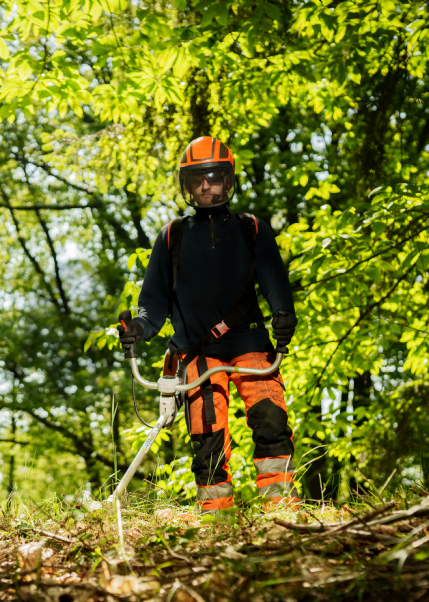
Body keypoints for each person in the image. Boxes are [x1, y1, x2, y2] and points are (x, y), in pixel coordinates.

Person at [117, 136, 299, 513]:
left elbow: (276, 287)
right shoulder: (172, 237)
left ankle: (281, 510)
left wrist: (283, 316)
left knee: (271, 420)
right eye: (197, 177)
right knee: (207, 435)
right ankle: (216, 521)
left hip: (251, 346)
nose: (206, 185)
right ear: (186, 184)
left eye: (214, 176)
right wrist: (138, 328)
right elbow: (152, 307)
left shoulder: (253, 230)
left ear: (228, 181)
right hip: (198, 355)